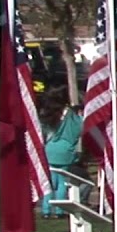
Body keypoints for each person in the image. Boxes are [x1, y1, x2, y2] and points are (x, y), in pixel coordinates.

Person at [38, 85, 82, 218]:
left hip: (49, 150)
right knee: (62, 183)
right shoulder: (71, 115)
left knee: (49, 183)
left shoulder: (48, 114)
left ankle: (46, 210)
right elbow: (80, 127)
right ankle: (59, 210)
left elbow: (43, 130)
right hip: (65, 151)